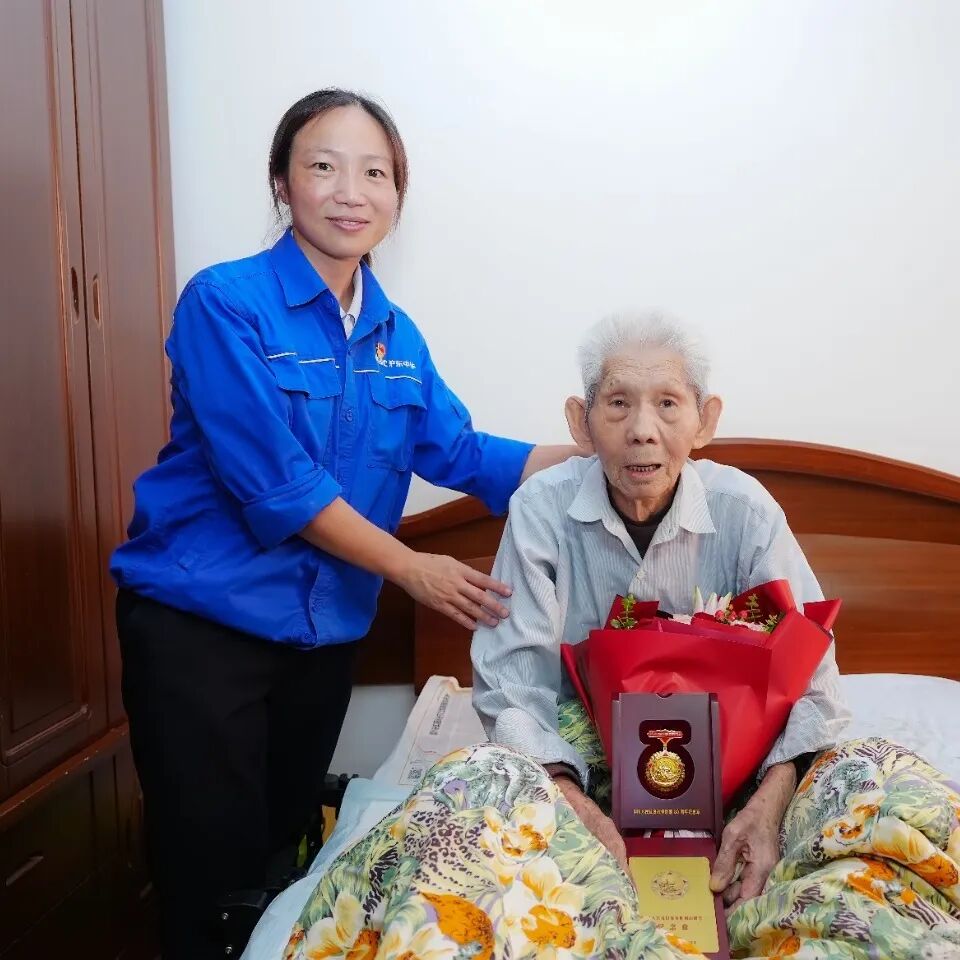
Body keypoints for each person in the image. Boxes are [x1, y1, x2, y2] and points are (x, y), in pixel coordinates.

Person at [110, 88, 580, 959]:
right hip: (201, 632)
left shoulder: (396, 335)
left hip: (322, 644)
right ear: (282, 183)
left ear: (397, 195)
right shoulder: (225, 303)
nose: (349, 192)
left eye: (374, 173)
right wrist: (411, 567)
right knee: (208, 879)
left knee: (284, 865)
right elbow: (278, 486)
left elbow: (467, 454)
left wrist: (613, 445)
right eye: (323, 167)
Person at [471, 311, 851, 909]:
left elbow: (813, 681)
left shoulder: (745, 512)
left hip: (744, 772)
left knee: (874, 779)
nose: (642, 430)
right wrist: (573, 807)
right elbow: (513, 689)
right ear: (581, 422)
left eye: (668, 404)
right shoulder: (540, 511)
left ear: (705, 419)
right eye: (618, 403)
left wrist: (769, 801)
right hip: (579, 769)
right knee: (462, 791)